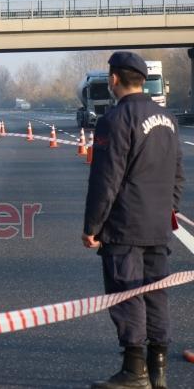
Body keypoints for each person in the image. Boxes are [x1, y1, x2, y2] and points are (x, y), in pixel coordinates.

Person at [83, 51, 184, 389]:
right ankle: (159, 371)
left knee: (127, 295)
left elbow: (105, 180)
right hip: (158, 227)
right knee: (156, 294)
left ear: (114, 79)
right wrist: (165, 210)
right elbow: (177, 176)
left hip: (124, 227)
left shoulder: (114, 120)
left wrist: (92, 227)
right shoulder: (168, 119)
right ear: (141, 80)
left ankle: (134, 371)